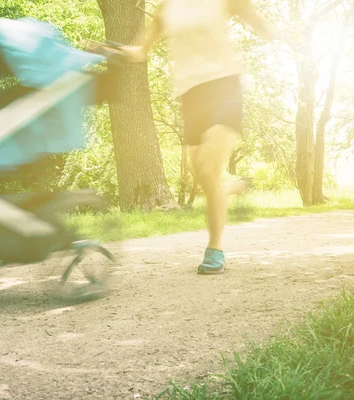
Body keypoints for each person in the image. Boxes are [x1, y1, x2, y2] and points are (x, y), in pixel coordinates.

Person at [120, 0, 286, 274]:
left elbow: (259, 24)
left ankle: (215, 249)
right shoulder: (166, 8)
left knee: (208, 171)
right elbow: (141, 50)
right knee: (203, 178)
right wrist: (112, 51)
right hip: (190, 95)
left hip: (224, 88)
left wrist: (280, 35)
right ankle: (232, 187)